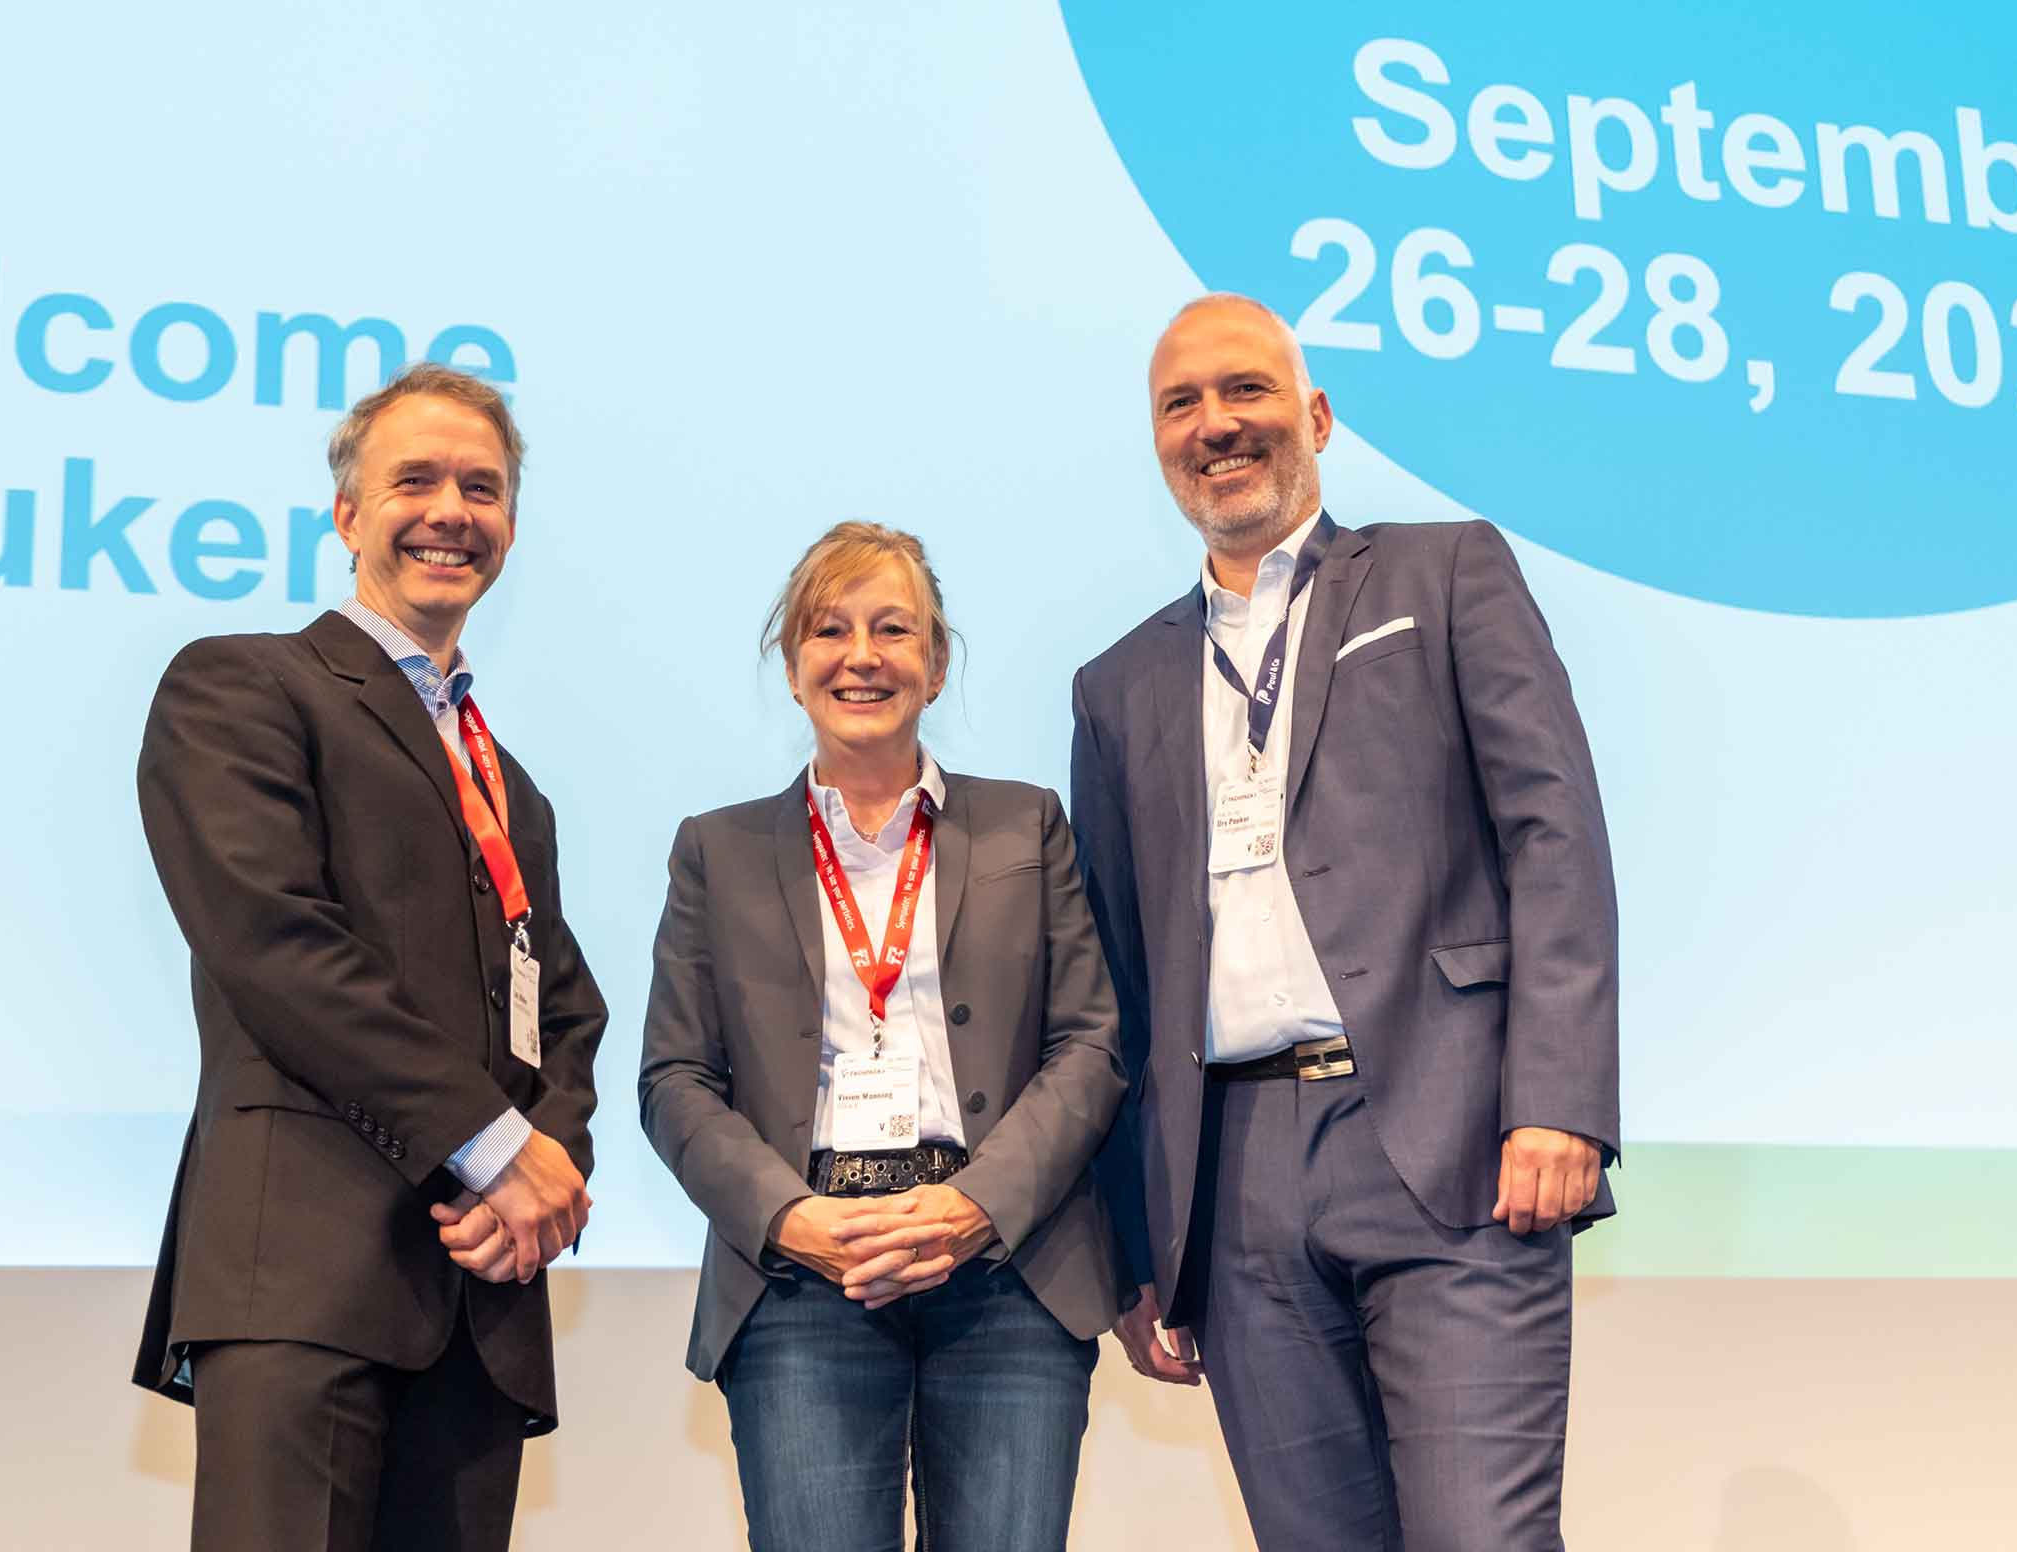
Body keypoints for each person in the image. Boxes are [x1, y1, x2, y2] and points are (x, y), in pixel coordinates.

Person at [1070, 295, 1622, 1550]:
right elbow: (1119, 983)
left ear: (1314, 416)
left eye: (1247, 391)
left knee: (1482, 1536)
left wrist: (1563, 1097)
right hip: (1235, 1175)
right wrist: (1137, 1242)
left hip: (1453, 1133)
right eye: (1182, 404)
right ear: (1160, 447)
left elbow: (1557, 839)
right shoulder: (1116, 687)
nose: (1217, 424)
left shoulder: (1445, 570)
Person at [132, 361, 605, 1552]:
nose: (453, 509)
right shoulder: (241, 685)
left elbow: (568, 1013)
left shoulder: (516, 787)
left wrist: (544, 1174)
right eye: (417, 480)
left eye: (483, 489)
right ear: (347, 515)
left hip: (476, 1298)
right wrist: (500, 1149)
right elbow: (275, 945)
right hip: (306, 1279)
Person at [640, 521, 1127, 1552]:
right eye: (829, 629)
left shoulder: (1024, 826)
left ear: (936, 664)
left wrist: (973, 1206)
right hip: (801, 1275)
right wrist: (790, 1218)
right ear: (793, 664)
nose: (861, 655)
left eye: (893, 628)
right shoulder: (716, 851)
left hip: (1004, 1269)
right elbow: (677, 1076)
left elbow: (1089, 1044)